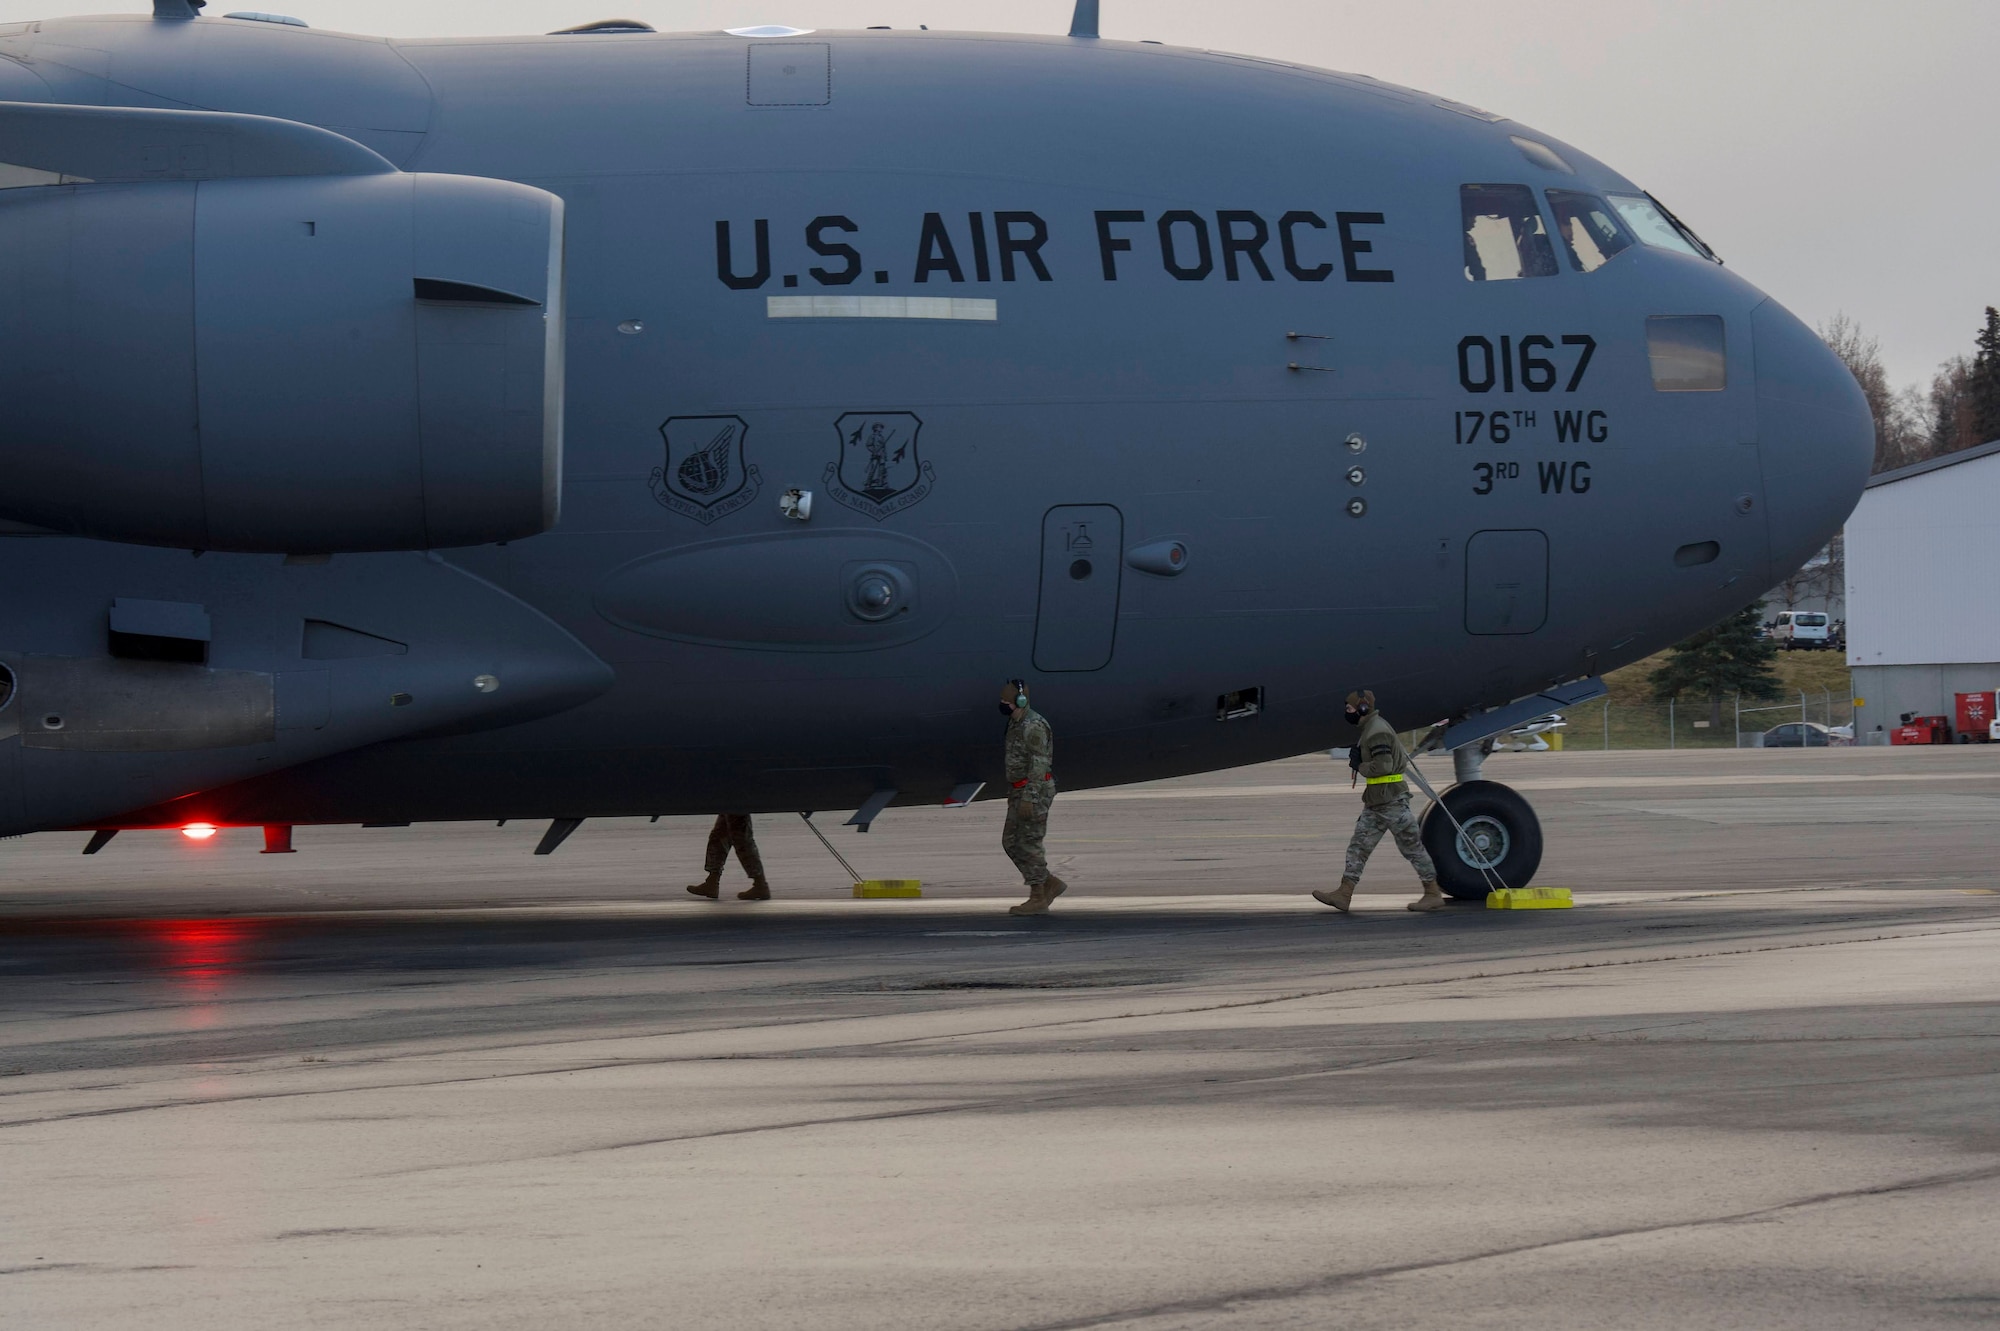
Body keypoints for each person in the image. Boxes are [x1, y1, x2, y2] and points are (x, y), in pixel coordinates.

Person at [1314, 690, 1445, 913]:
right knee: (1358, 847)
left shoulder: (1376, 732)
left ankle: (1433, 893)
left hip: (1392, 801)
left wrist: (1360, 766)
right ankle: (1344, 894)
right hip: (1377, 802)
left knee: (1412, 847)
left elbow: (1382, 767)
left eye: (1350, 709)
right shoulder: (1371, 729)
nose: (1347, 712)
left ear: (1363, 708)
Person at [998, 678, 1065, 915]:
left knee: (1029, 843)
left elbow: (1040, 763)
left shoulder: (1033, 725)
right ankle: (1048, 882)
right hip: (1019, 790)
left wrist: (1030, 797)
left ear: (1020, 700)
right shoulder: (1016, 723)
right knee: (1010, 842)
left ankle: (1038, 896)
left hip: (1033, 790)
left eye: (1006, 700)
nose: (1002, 703)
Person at [687, 813, 771, 900]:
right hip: (732, 801)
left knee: (740, 836)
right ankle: (712, 882)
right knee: (721, 834)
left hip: (736, 802)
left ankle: (760, 884)